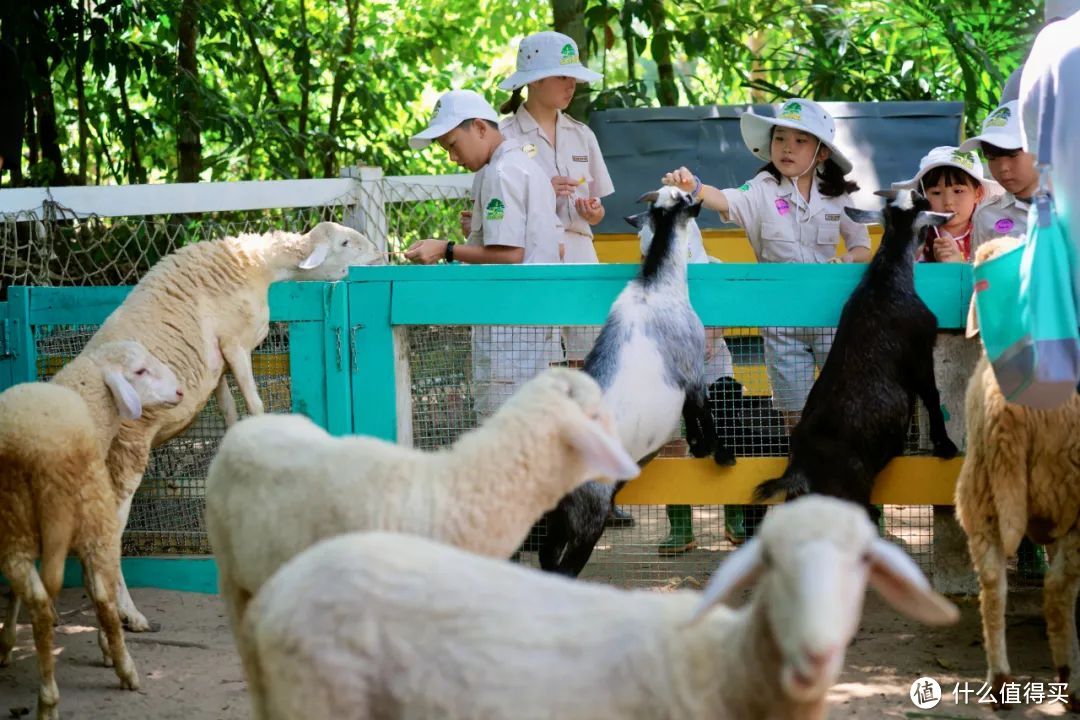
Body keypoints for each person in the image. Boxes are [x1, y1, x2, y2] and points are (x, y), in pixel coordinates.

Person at [662, 98, 871, 549]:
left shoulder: (841, 196)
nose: (787, 147)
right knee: (795, 416)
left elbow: (862, 249)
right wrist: (693, 186)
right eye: (780, 138)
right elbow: (722, 199)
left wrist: (842, 261)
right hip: (780, 324)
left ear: (820, 153)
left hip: (835, 318)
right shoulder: (758, 190)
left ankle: (854, 507)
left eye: (799, 140)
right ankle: (803, 509)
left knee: (840, 414)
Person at [496, 32, 637, 527]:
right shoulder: (504, 136)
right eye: (562, 75)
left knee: (589, 371)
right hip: (529, 261)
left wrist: (591, 209)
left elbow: (596, 212)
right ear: (533, 79)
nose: (571, 85)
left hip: (578, 253)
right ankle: (541, 497)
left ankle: (594, 492)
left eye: (575, 76)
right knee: (535, 371)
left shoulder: (583, 135)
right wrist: (539, 192)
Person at [405, 89, 563, 417]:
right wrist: (473, 236)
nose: (452, 157)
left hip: (511, 325)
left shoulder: (501, 172)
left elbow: (509, 255)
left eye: (452, 145)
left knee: (504, 428)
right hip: (530, 318)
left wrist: (445, 249)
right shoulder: (519, 165)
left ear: (479, 127)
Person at [891, 146, 998, 263]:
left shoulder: (991, 231)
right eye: (936, 193)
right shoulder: (915, 235)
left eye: (958, 191)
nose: (948, 201)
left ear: (978, 194)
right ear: (924, 197)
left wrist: (958, 266)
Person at [958, 101, 1039, 256]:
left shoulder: (1068, 206)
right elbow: (981, 273)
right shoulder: (987, 214)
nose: (1003, 168)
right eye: (992, 158)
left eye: (1012, 155)